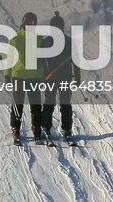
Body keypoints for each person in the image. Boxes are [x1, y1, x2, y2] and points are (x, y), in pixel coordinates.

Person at [4, 11, 47, 144]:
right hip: (19, 77)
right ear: (23, 22)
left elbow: (43, 59)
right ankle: (15, 128)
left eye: (32, 22)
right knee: (18, 105)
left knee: (35, 105)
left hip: (34, 77)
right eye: (27, 22)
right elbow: (9, 58)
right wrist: (7, 74)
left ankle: (36, 128)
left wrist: (44, 73)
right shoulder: (15, 39)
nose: (30, 24)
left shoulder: (39, 39)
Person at [42, 11, 79, 142]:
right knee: (49, 103)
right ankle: (46, 127)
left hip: (66, 77)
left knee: (65, 104)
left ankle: (67, 128)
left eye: (59, 26)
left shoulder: (69, 41)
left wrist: (78, 77)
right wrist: (43, 74)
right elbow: (40, 60)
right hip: (51, 78)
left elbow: (76, 60)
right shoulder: (46, 42)